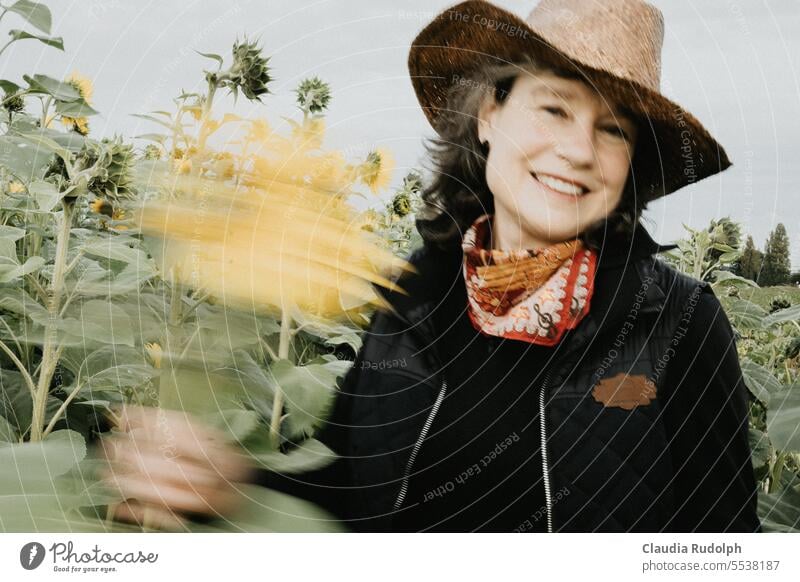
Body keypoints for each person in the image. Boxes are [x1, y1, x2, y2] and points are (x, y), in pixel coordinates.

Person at [102, 0, 762, 532]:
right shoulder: (412, 296)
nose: (578, 150)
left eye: (613, 129)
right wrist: (229, 482)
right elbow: (345, 491)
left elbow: (723, 542)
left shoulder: (676, 320)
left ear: (630, 165)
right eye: (554, 107)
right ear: (488, 116)